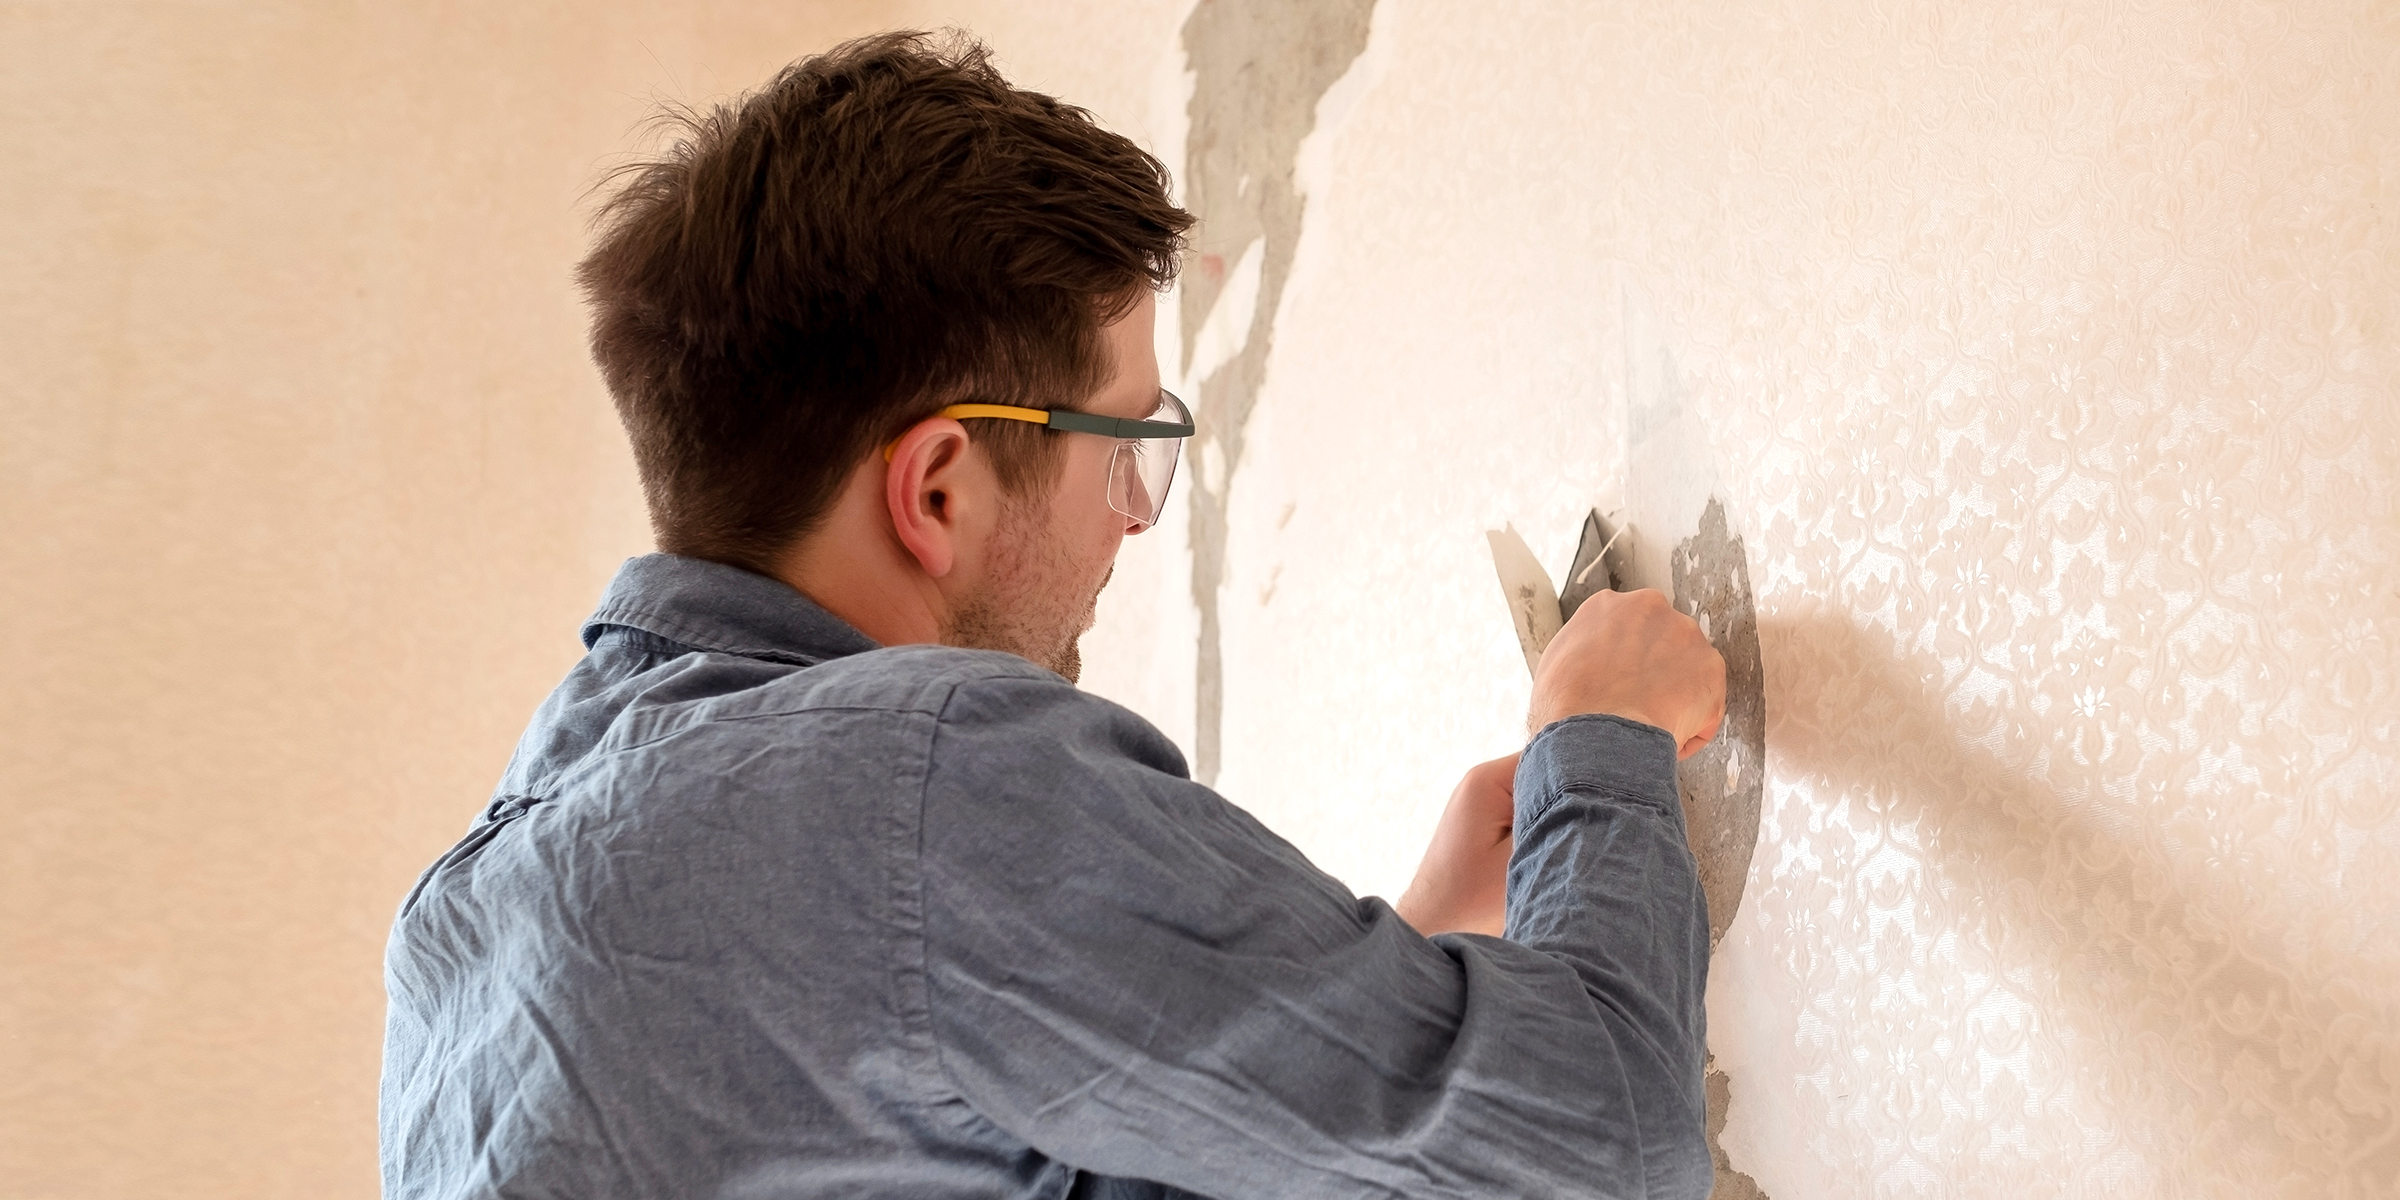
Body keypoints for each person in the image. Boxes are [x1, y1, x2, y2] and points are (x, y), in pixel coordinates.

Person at [379, 30, 1727, 1200]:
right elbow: (1605, 1139)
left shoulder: (467, 927)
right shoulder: (923, 776)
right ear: (941, 488)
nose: (1133, 518)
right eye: (1123, 450)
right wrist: (1601, 744)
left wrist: (1413, 953)